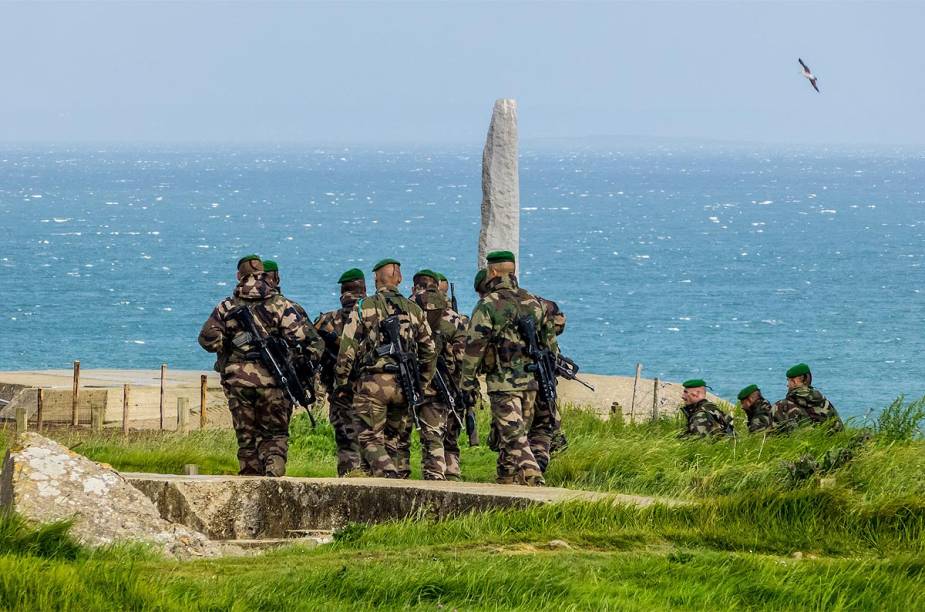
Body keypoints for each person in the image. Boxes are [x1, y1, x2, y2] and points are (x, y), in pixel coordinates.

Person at [198, 254, 323, 476]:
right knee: (274, 436)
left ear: (239, 275)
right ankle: (273, 477)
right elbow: (308, 340)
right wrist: (298, 364)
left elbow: (207, 339)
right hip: (274, 382)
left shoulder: (226, 306)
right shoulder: (280, 305)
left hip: (238, 383)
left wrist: (230, 343)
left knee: (247, 440)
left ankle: (249, 481)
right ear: (263, 274)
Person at [459, 251, 557, 486]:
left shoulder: (488, 304)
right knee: (511, 433)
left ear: (492, 271)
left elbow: (474, 347)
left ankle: (533, 476)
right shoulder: (535, 302)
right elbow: (551, 346)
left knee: (514, 436)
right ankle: (507, 481)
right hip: (531, 382)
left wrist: (467, 383)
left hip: (503, 381)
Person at [335, 258, 436, 478]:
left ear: (375, 279)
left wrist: (342, 383)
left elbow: (347, 350)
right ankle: (392, 485)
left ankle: (387, 474)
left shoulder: (364, 307)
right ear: (399, 279)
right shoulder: (415, 310)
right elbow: (429, 350)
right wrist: (422, 382)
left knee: (369, 437)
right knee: (393, 440)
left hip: (374, 383)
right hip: (404, 383)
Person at [407, 269, 466, 480]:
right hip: (446, 384)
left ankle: (432, 479)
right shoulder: (451, 316)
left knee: (406, 438)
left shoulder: (407, 308)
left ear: (415, 286)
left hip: (411, 381)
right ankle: (450, 475)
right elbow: (463, 356)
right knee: (446, 436)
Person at [314, 268, 368, 476]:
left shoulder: (327, 321)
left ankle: (348, 479)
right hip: (371, 391)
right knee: (372, 440)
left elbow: (313, 353)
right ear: (363, 290)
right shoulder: (374, 318)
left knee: (346, 443)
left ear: (342, 292)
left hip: (340, 392)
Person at [527, 294, 568, 473]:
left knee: (536, 428)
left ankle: (534, 460)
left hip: (525, 387)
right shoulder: (546, 336)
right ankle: (539, 459)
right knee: (544, 427)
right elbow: (554, 359)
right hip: (542, 387)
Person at [774, 363, 843, 431]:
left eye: (788, 381)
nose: (787, 385)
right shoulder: (825, 403)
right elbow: (840, 430)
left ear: (795, 381)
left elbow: (770, 435)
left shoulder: (781, 406)